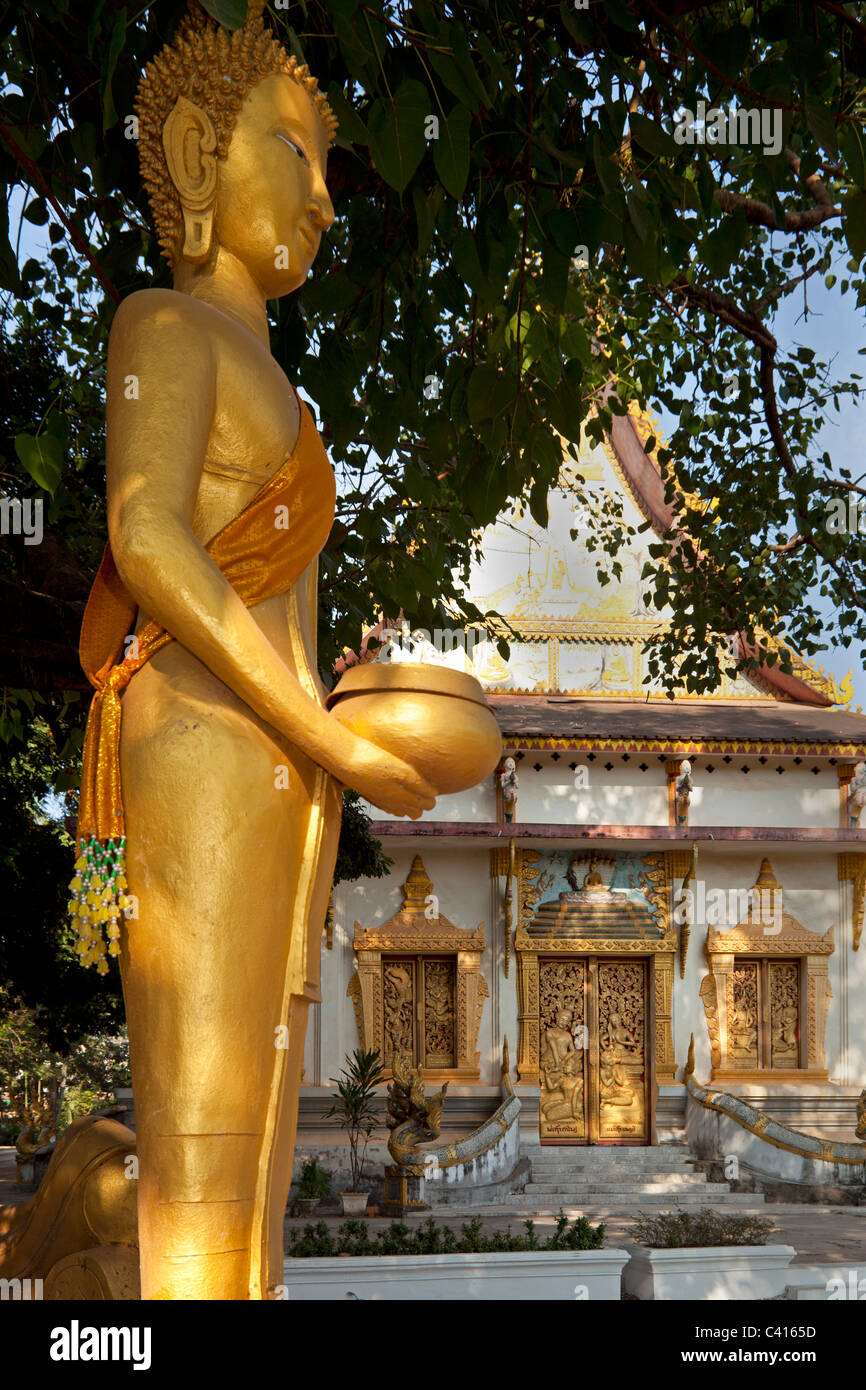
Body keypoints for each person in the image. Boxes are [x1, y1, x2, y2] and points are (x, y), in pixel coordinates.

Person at [69, 1, 434, 1301]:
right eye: (298, 150)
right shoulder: (161, 329)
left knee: (270, 1102)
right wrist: (326, 732)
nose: (327, 198)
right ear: (189, 148)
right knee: (203, 1122)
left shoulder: (287, 392)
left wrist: (340, 745)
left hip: (287, 766)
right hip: (209, 744)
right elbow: (149, 538)